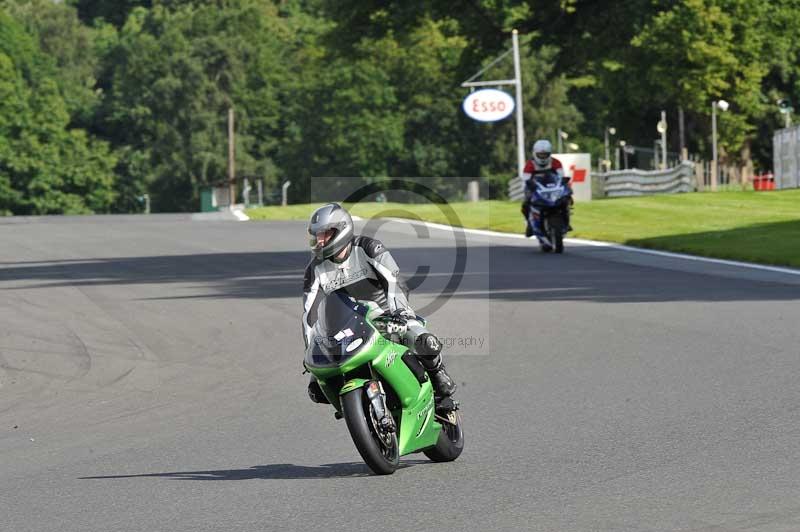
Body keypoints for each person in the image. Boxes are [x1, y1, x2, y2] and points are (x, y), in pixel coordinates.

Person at [302, 203, 457, 404]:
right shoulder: (314, 269)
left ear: (341, 229)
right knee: (317, 388)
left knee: (424, 340)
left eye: (325, 234)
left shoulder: (368, 248)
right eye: (317, 236)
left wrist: (401, 313)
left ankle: (437, 373)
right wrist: (311, 346)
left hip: (385, 314)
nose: (320, 241)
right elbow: (310, 314)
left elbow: (394, 281)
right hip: (349, 325)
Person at [520, 139, 567, 237]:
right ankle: (529, 223)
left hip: (552, 187)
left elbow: (561, 175)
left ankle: (565, 220)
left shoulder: (556, 162)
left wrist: (563, 182)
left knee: (566, 198)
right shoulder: (530, 164)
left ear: (549, 154)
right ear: (535, 153)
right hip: (535, 187)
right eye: (540, 155)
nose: (543, 157)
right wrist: (530, 185)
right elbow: (526, 178)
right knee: (525, 203)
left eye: (545, 155)